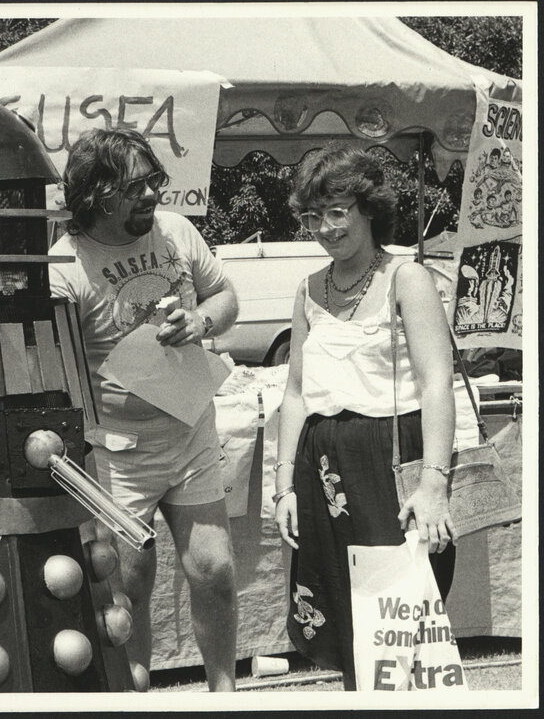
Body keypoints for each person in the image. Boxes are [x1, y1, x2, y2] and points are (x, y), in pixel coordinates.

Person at [49, 128, 239, 691]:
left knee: (216, 570)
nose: (153, 195)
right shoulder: (63, 267)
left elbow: (226, 298)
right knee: (128, 584)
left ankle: (225, 696)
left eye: (155, 180)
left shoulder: (176, 230)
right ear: (96, 195)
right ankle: (137, 696)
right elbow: (57, 375)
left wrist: (200, 322)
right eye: (136, 187)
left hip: (190, 430)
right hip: (114, 454)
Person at [273, 144, 456, 690]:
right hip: (322, 467)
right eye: (312, 215)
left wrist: (434, 484)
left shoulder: (407, 279)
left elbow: (436, 384)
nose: (324, 228)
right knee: (348, 622)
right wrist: (283, 484)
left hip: (391, 463)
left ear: (369, 207)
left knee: (402, 620)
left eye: (336, 211)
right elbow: (297, 391)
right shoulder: (308, 289)